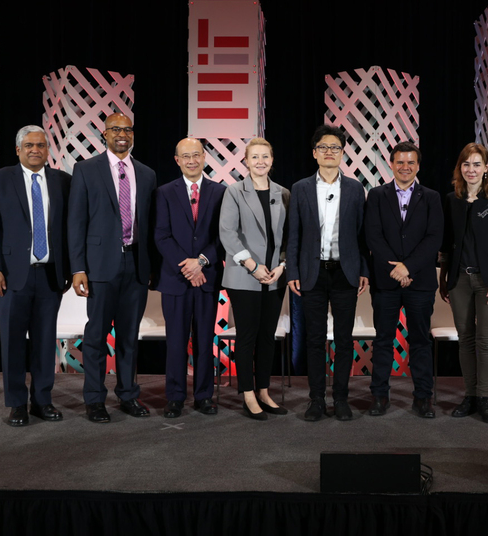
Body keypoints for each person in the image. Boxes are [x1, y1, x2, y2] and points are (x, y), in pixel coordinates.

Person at [0, 125, 72, 427]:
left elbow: (71, 228)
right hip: (9, 277)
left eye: (41, 145)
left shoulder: (63, 182)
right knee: (13, 342)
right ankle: (17, 403)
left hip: (50, 276)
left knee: (45, 342)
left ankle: (42, 400)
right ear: (18, 150)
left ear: (48, 150)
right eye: (29, 145)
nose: (35, 150)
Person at [68, 112, 157, 423]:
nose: (122, 134)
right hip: (100, 266)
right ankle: (94, 399)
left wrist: (152, 267)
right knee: (96, 336)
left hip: (136, 264)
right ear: (104, 134)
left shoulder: (146, 174)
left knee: (129, 337)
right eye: (115, 129)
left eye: (127, 129)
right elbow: (76, 222)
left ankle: (128, 395)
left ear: (133, 135)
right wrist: (78, 267)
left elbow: (151, 225)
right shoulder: (86, 170)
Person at [287, 125, 369, 422]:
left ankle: (342, 399)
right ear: (314, 153)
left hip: (345, 273)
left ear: (342, 153)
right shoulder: (301, 188)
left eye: (335, 147)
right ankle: (316, 400)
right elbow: (293, 234)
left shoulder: (355, 188)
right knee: (314, 339)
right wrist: (292, 270)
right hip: (312, 273)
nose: (329, 152)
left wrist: (363, 269)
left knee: (344, 340)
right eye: (323, 147)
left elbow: (362, 235)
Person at [365, 142, 443, 418]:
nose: (405, 167)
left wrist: (408, 268)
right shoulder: (376, 195)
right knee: (383, 340)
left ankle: (423, 397)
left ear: (418, 166)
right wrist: (396, 270)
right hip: (386, 283)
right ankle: (379, 396)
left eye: (410, 162)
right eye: (400, 162)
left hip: (419, 282)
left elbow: (434, 238)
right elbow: (373, 235)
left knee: (420, 341)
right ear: (392, 164)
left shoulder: (431, 197)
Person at [439, 143, 488, 424]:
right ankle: (469, 395)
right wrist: (443, 275)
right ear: (460, 169)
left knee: (484, 340)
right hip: (459, 279)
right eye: (466, 164)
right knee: (465, 339)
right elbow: (446, 244)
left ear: (486, 169)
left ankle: (483, 398)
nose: (471, 169)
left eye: (477, 164)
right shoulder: (451, 199)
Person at [154, 137, 226, 418]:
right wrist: (187, 266)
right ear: (177, 160)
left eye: (196, 155)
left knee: (205, 339)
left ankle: (204, 395)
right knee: (176, 341)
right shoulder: (164, 192)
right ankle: (174, 397)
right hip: (175, 279)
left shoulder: (220, 192)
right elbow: (161, 235)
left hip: (207, 278)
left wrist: (202, 262)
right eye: (186, 156)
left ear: (205, 157)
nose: (192, 160)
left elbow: (224, 236)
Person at [218, 137, 289, 420]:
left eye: (265, 156)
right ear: (246, 161)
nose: (260, 161)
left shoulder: (284, 192)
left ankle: (263, 390)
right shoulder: (234, 192)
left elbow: (289, 236)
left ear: (272, 160)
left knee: (267, 338)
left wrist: (283, 265)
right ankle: (247, 393)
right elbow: (228, 233)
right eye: (255, 157)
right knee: (247, 337)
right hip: (244, 276)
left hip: (275, 276)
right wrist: (252, 265)